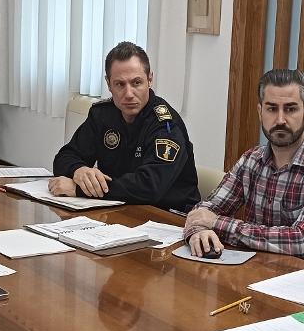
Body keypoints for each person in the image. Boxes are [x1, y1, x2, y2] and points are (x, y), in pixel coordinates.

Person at [184, 69, 304, 260]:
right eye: (271, 108)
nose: (280, 120)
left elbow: (301, 241)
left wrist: (216, 223)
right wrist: (198, 232)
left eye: (290, 109)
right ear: (260, 112)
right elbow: (205, 210)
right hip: (254, 269)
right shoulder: (251, 159)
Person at [50, 41, 200, 211]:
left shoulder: (166, 125)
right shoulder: (103, 115)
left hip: (168, 217)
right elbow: (64, 157)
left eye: (136, 83)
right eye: (120, 84)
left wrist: (79, 189)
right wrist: (79, 170)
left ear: (150, 79)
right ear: (108, 84)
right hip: (117, 208)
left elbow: (149, 187)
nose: (128, 94)